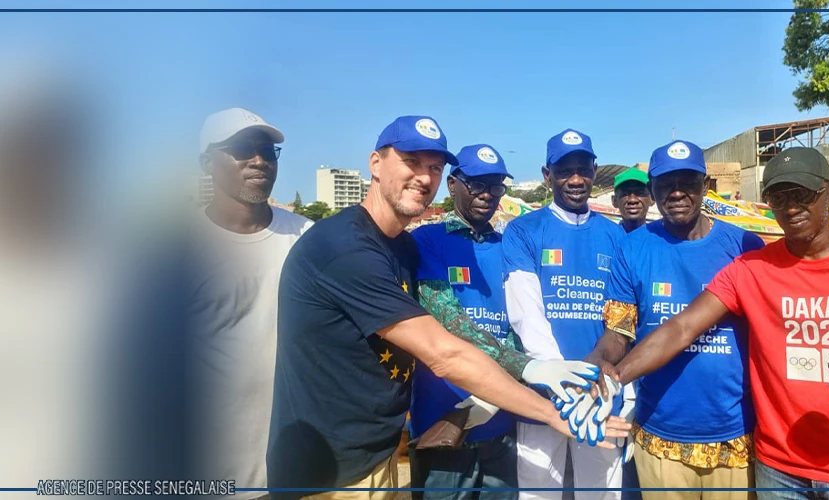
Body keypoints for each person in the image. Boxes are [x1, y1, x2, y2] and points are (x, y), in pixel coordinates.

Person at [268, 116, 626, 500]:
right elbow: (445, 347)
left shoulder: (403, 247)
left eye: (433, 167)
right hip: (328, 470)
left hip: (382, 451)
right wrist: (549, 400)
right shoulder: (346, 247)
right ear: (375, 163)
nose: (424, 177)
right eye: (411, 161)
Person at [607, 147, 829, 499]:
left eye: (802, 194)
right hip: (782, 470)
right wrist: (609, 379)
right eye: (778, 197)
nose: (791, 207)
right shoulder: (751, 268)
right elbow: (681, 328)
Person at [586, 141, 764, 500]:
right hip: (661, 433)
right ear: (653, 190)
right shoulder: (633, 247)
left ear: (705, 185)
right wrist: (599, 360)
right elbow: (619, 330)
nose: (678, 193)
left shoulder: (745, 246)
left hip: (734, 433)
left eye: (688, 182)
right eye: (667, 183)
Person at [193, 108, 314, 500]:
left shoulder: (306, 238)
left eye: (268, 151)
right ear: (207, 162)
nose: (259, 160)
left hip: (296, 468)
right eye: (242, 149)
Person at [502, 129, 629, 499]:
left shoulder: (616, 235)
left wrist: (613, 387)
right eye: (564, 170)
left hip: (601, 393)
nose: (576, 179)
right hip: (542, 394)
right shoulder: (523, 230)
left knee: (602, 494)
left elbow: (622, 318)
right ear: (547, 175)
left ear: (593, 172)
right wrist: (563, 384)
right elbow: (526, 314)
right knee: (538, 493)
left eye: (583, 169)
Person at [408, 144, 522, 498]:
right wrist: (517, 369)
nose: (487, 195)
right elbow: (445, 317)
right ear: (453, 185)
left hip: (499, 420)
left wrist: (494, 396)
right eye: (477, 184)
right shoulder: (426, 240)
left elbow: (520, 325)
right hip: (442, 420)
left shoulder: (511, 247)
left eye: (496, 186)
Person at [611, 168, 653, 233]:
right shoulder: (607, 239)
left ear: (652, 199)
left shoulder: (662, 240)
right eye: (625, 193)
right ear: (614, 201)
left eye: (640, 193)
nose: (632, 200)